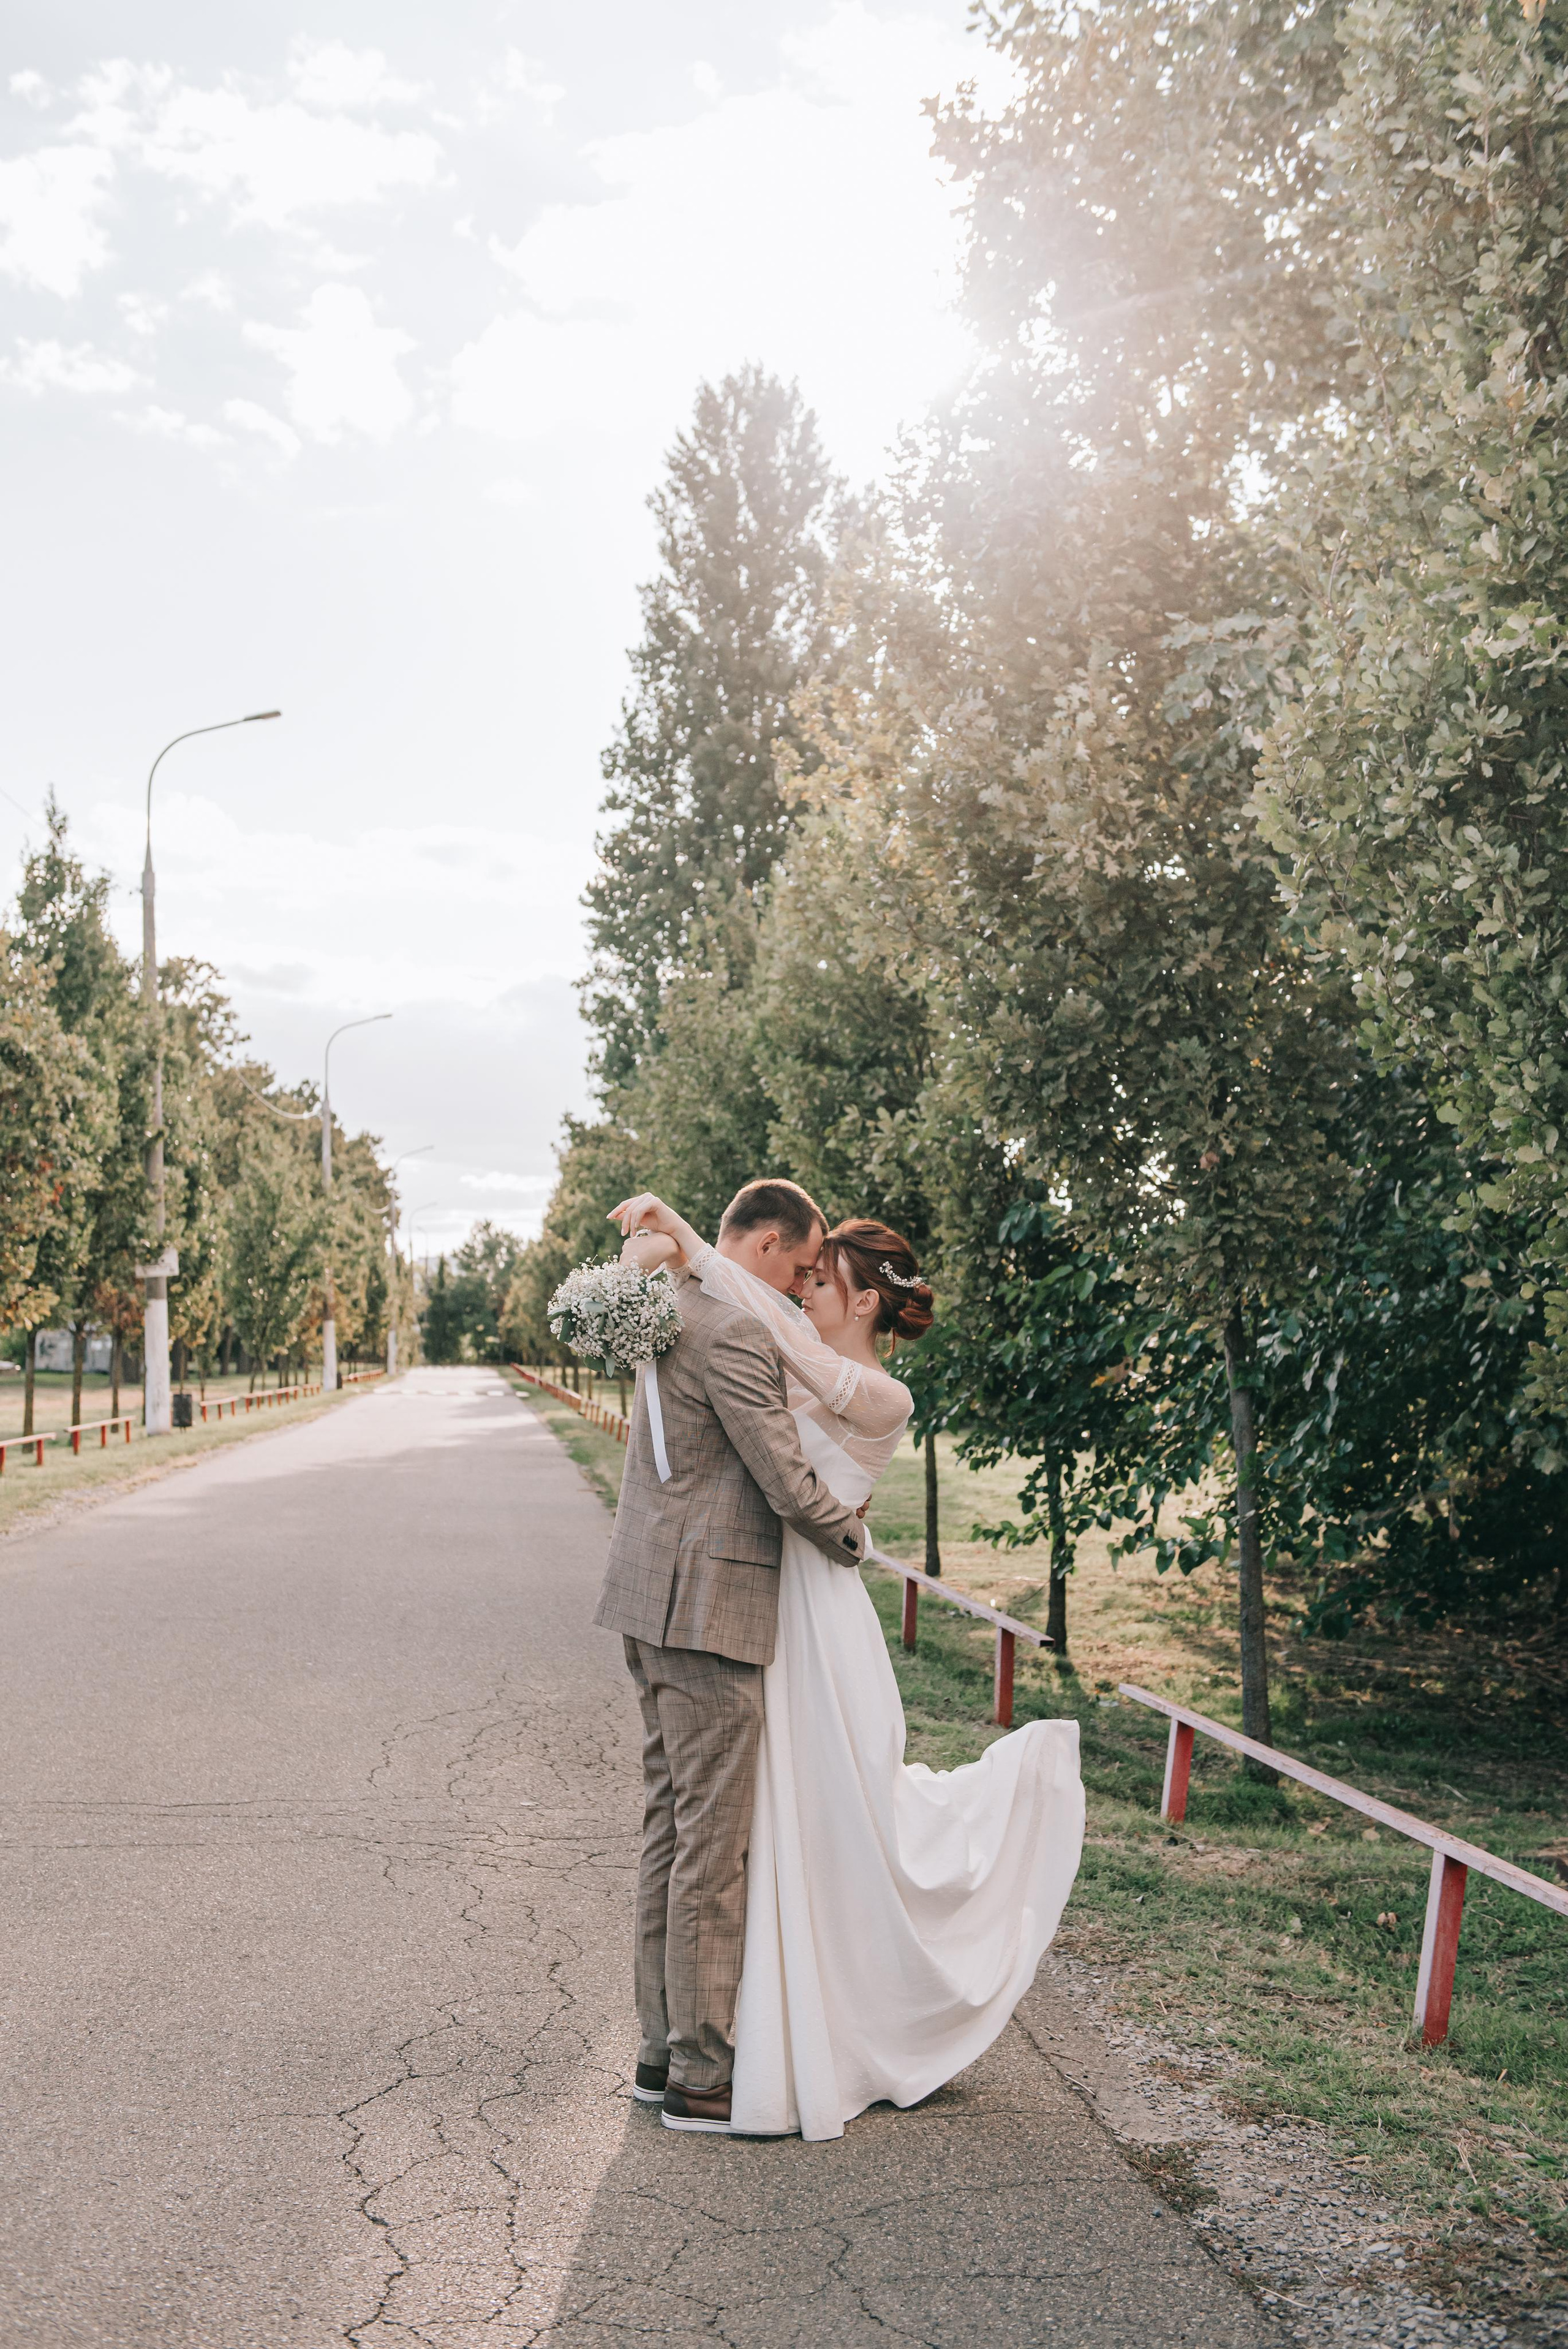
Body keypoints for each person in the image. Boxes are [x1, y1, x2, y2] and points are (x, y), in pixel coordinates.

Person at [611, 1189, 1085, 2143]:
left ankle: (782, 2024)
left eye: (819, 1279)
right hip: (751, 1597)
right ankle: (711, 2041)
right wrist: (675, 1259)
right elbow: (752, 1348)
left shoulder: (878, 1389)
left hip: (813, 1611)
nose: (801, 1288)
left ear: (865, 1300)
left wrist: (697, 1250)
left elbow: (795, 1364)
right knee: (726, 1829)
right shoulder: (772, 1327)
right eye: (802, 1272)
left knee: (785, 1823)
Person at [591, 1178, 869, 2135]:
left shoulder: (658, 1310)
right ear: (759, 1245)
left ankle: (658, 2047)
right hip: (709, 1612)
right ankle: (705, 2074)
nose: (799, 1290)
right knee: (712, 1845)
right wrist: (856, 1542)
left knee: (670, 1829)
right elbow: (786, 1480)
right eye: (797, 1268)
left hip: (645, 1599)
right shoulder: (732, 1334)